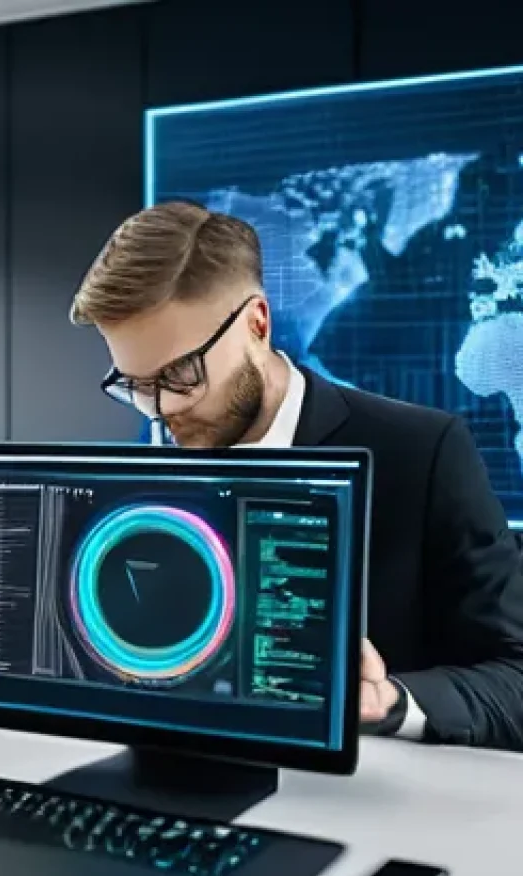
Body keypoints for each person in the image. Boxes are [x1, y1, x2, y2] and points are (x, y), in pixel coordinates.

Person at [69, 199, 523, 750]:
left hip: (362, 799)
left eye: (180, 374)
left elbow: (514, 675)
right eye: (136, 385)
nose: (161, 412)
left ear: (258, 323)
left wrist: (392, 703)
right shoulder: (147, 463)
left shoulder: (422, 452)